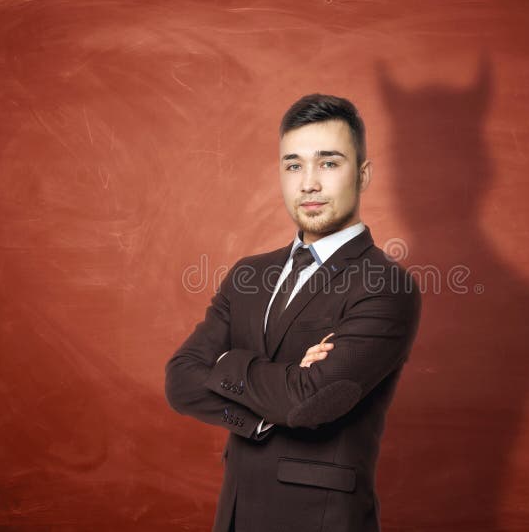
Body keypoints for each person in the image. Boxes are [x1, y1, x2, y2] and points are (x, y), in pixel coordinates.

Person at [164, 93, 422, 532]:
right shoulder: (248, 274)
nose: (309, 184)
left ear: (363, 175)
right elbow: (180, 380)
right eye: (294, 165)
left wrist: (224, 363)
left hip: (321, 522)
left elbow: (309, 403)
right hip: (234, 517)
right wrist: (262, 416)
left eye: (329, 163)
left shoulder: (386, 285)